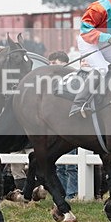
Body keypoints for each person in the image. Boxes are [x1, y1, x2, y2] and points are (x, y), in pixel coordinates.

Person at [49, 51, 78, 200]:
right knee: (59, 165)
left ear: (64, 63)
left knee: (71, 165)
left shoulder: (73, 79)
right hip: (56, 127)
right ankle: (61, 193)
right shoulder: (51, 81)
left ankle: (71, 194)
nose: (51, 66)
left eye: (54, 63)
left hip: (70, 127)